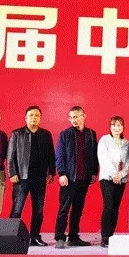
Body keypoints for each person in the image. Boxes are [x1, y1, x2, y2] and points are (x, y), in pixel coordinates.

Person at [6, 105, 55, 247]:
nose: (34, 118)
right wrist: (12, 173)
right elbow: (10, 156)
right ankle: (11, 238)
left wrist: (51, 172)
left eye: (37, 115)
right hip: (21, 178)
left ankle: (35, 237)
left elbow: (51, 155)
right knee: (17, 209)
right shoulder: (17, 134)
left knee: (38, 210)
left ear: (40, 118)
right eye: (31, 115)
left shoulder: (46, 134)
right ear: (25, 118)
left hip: (40, 178)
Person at [54, 106, 99, 249]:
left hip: (84, 177)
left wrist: (94, 173)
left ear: (83, 116)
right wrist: (62, 173)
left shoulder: (91, 134)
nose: (74, 120)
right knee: (64, 208)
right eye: (71, 117)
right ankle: (59, 237)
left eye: (76, 117)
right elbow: (60, 155)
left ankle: (73, 237)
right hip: (69, 177)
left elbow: (94, 155)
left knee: (78, 209)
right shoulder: (65, 134)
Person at [97, 116, 129, 248]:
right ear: (110, 127)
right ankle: (105, 237)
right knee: (108, 206)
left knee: (115, 207)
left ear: (123, 127)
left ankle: (111, 235)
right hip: (107, 178)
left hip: (122, 179)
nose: (116, 128)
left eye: (119, 125)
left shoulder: (126, 143)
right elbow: (102, 159)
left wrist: (121, 174)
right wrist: (114, 174)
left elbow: (128, 162)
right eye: (114, 125)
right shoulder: (104, 140)